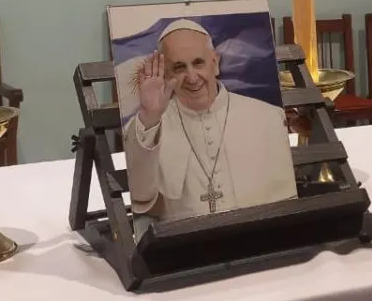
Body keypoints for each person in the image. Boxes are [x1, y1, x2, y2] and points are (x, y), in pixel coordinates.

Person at [123, 19, 296, 221]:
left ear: (215, 63)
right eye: (179, 67)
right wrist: (150, 115)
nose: (192, 77)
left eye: (198, 63)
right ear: (166, 74)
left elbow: (287, 199)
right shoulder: (146, 128)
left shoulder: (269, 117)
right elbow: (140, 196)